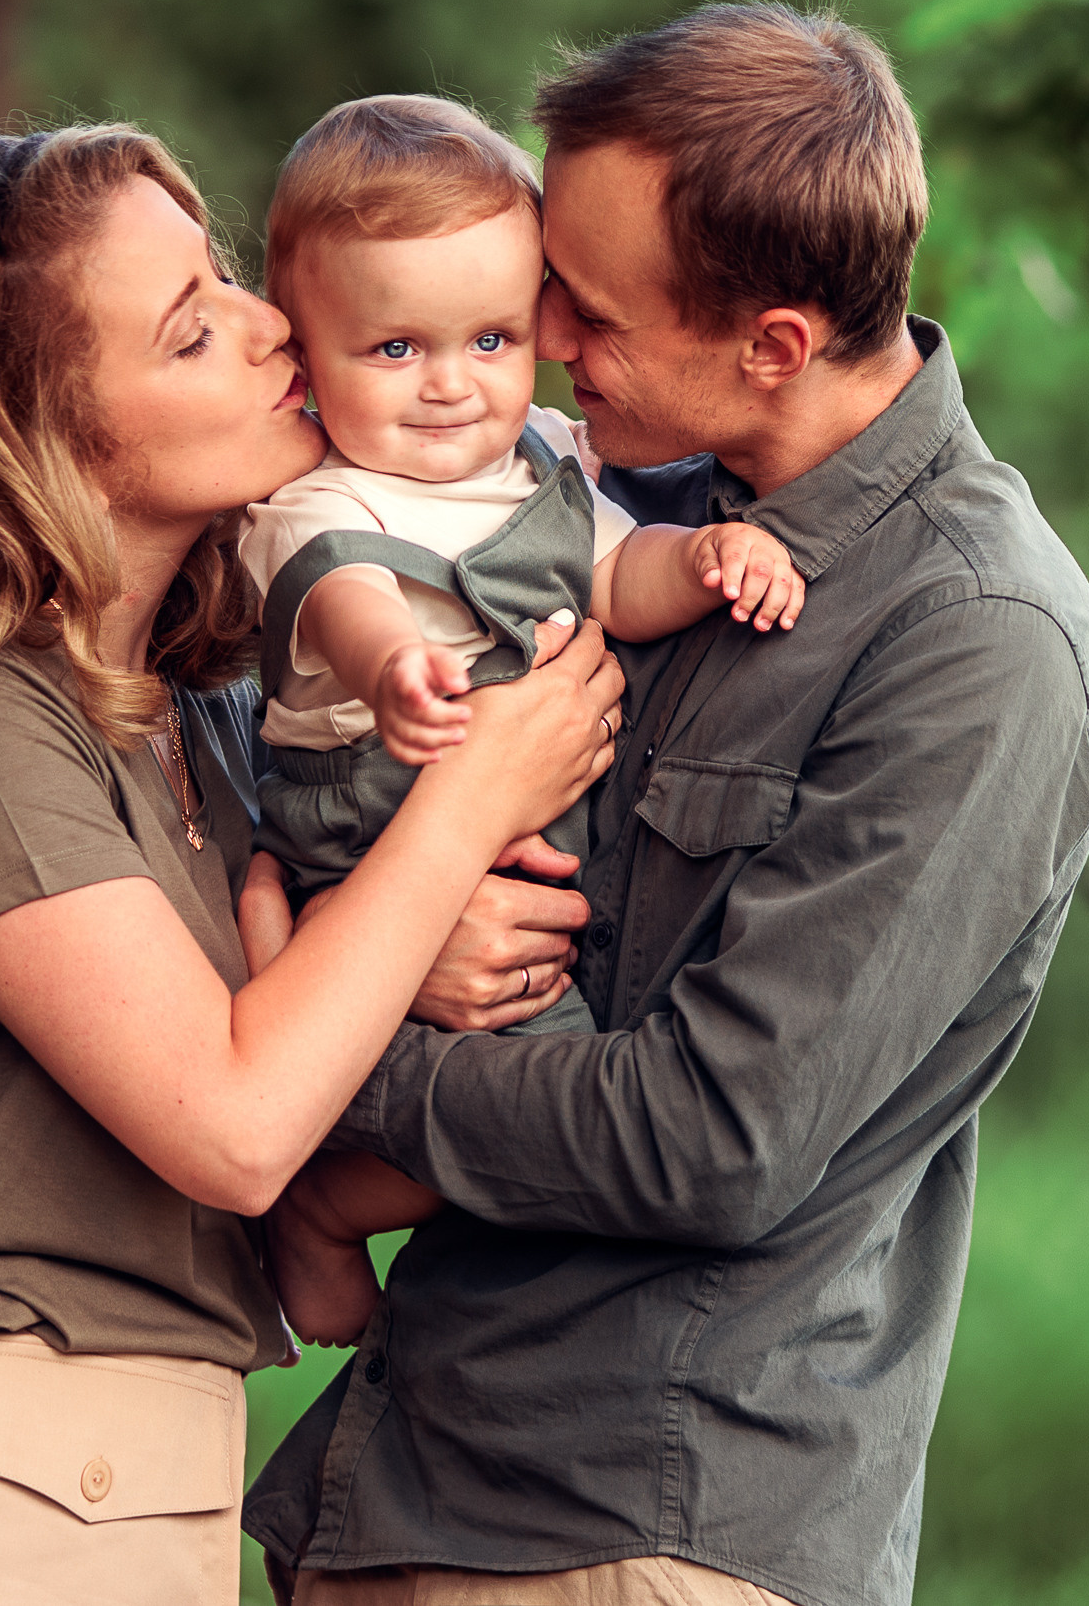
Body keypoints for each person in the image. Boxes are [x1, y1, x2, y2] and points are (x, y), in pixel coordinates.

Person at [0, 123, 625, 1606]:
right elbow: (232, 1124)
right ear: (44, 434)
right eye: (192, 329)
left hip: (122, 1497)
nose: (273, 322)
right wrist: (470, 797)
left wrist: (404, 944)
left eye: (226, 275)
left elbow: (256, 1040)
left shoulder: (206, 727)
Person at [245, 4, 1089, 1606]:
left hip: (637, 1525)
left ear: (773, 341)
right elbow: (297, 719)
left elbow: (716, 1137)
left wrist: (324, 1054)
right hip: (413, 1470)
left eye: (584, 308)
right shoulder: (611, 491)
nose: (548, 342)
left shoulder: (977, 640)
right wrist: (379, 929)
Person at [236, 95, 802, 1346]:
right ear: (305, 357)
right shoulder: (317, 495)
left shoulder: (544, 458)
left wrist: (709, 556)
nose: (450, 386)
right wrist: (394, 671)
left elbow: (618, 577)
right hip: (376, 812)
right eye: (394, 349)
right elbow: (340, 598)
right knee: (530, 1087)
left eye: (490, 338)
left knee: (544, 1061)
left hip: (519, 834)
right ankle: (323, 1210)